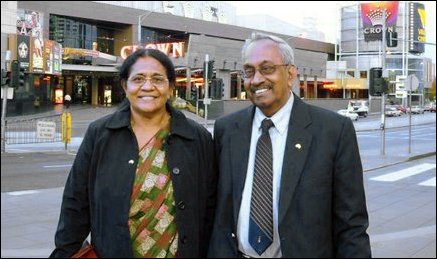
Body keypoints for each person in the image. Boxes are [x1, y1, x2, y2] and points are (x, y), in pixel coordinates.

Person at [208, 32, 371, 258]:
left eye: (267, 68)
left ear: (291, 73)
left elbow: (351, 226)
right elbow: (217, 209)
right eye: (249, 71)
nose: (256, 80)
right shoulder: (226, 129)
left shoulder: (333, 130)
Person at [50, 48, 217, 258]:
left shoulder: (196, 138)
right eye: (138, 79)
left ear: (171, 87)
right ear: (124, 86)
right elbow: (75, 203)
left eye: (158, 79)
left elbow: (211, 208)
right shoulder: (100, 134)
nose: (148, 87)